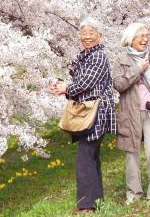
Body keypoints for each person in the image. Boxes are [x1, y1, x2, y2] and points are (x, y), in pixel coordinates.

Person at [50, 18, 116, 214]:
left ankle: (87, 205)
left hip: (96, 113)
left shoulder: (98, 57)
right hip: (89, 112)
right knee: (91, 157)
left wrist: (67, 88)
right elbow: (79, 81)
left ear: (100, 35)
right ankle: (95, 201)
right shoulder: (85, 56)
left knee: (84, 158)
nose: (87, 36)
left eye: (91, 33)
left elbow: (86, 82)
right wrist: (63, 86)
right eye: (84, 33)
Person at [112, 23, 150, 206]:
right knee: (132, 156)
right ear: (131, 38)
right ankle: (134, 193)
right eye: (141, 36)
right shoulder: (120, 59)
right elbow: (119, 85)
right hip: (130, 114)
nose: (145, 39)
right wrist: (137, 69)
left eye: (147, 35)